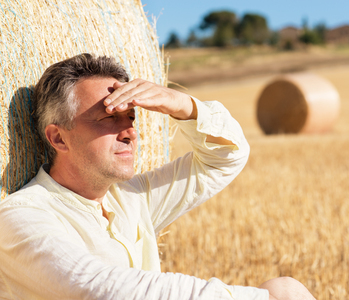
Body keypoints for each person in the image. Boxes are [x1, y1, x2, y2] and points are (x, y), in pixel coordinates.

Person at [0, 53, 315, 300]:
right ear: (58, 139)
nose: (130, 133)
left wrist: (183, 105)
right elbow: (97, 289)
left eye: (131, 117)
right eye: (109, 118)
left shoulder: (132, 197)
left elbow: (227, 157)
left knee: (286, 288)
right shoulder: (20, 218)